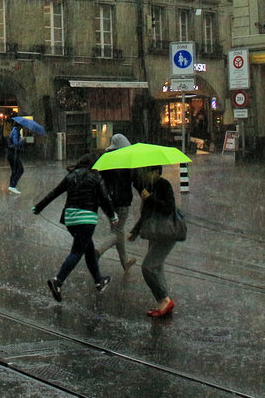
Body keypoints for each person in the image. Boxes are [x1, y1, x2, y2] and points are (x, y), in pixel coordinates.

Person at [33, 152, 118, 302]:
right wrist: (112, 216)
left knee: (88, 248)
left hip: (70, 219)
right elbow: (105, 199)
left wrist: (39, 207)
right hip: (86, 219)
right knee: (77, 251)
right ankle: (58, 281)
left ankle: (99, 281)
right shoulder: (96, 177)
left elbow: (54, 193)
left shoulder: (71, 176)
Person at [128, 165, 179, 317]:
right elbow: (146, 214)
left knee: (148, 267)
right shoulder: (148, 186)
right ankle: (164, 302)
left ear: (156, 172)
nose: (144, 175)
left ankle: (164, 300)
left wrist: (150, 199)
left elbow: (169, 208)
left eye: (147, 172)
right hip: (155, 232)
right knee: (157, 267)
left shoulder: (164, 185)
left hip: (166, 232)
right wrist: (135, 231)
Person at [95, 134, 138, 273]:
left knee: (118, 230)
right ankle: (97, 251)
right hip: (123, 201)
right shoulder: (125, 160)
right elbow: (134, 179)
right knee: (117, 232)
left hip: (109, 202)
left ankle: (125, 262)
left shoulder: (106, 158)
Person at [6, 120, 25, 194]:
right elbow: (15, 143)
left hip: (11, 154)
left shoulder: (14, 130)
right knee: (20, 170)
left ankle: (11, 187)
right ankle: (12, 186)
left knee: (14, 170)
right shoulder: (16, 132)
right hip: (14, 154)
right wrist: (22, 141)